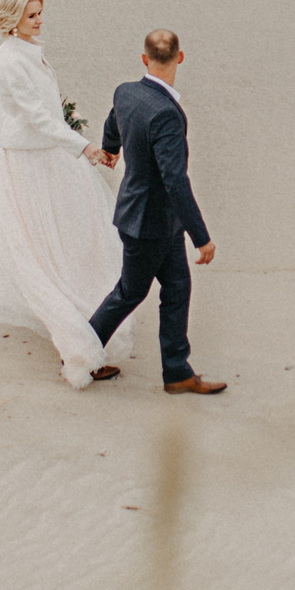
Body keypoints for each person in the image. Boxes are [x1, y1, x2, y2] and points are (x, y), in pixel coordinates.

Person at [0, 0, 133, 388]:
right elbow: (36, 117)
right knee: (35, 241)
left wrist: (67, 133)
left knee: (11, 218)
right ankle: (75, 347)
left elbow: (45, 112)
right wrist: (83, 146)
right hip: (23, 156)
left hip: (40, 150)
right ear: (13, 19)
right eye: (31, 15)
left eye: (40, 13)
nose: (39, 20)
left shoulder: (27, 49)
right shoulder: (9, 61)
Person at [89, 28, 224, 395]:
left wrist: (111, 147)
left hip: (150, 218)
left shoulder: (126, 92)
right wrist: (202, 237)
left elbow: (113, 121)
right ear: (180, 58)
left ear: (144, 59)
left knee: (177, 287)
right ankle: (80, 354)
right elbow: (175, 180)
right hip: (149, 224)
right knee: (129, 292)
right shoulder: (166, 114)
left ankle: (177, 372)